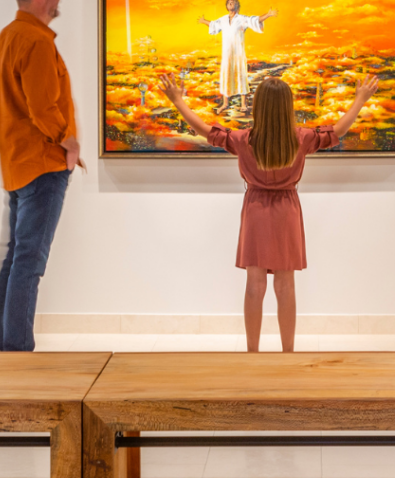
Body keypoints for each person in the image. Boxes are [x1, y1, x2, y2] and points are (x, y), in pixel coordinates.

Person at [159, 73, 378, 351]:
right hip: (287, 210)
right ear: (289, 107)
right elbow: (338, 131)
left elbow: (205, 130)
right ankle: (288, 353)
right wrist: (360, 100)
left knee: (254, 284)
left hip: (256, 210)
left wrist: (178, 101)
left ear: (258, 107)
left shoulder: (243, 139)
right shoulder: (303, 138)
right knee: (286, 285)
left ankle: (253, 353)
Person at [0, 0, 83, 352]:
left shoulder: (8, 36)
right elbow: (42, 108)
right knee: (30, 261)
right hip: (43, 165)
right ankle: (18, 352)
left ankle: (2, 342)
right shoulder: (37, 41)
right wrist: (70, 144)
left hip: (17, 163)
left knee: (15, 257)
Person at [198, 0, 278, 114]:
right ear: (227, 6)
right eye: (229, 2)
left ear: (237, 6)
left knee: (240, 74)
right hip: (227, 54)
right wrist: (204, 21)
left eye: (233, 2)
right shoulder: (223, 19)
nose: (231, 4)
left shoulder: (242, 19)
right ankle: (225, 103)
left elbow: (255, 20)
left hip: (238, 53)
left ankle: (243, 104)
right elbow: (214, 25)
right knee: (226, 75)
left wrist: (268, 14)